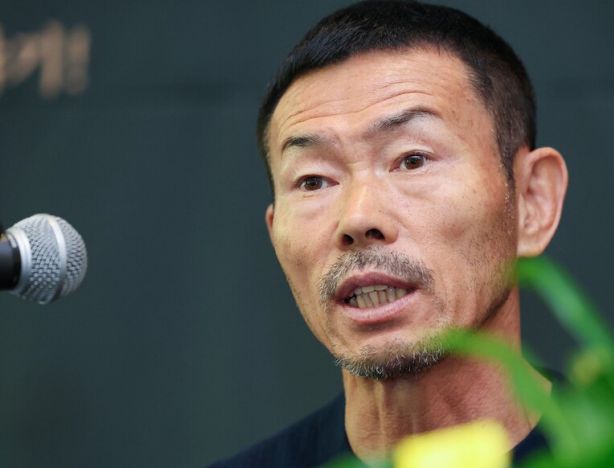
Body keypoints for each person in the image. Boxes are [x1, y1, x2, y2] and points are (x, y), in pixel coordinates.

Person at [210, 1, 568, 466]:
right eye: (314, 181)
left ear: (532, 200)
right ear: (276, 234)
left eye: (412, 160)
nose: (358, 218)